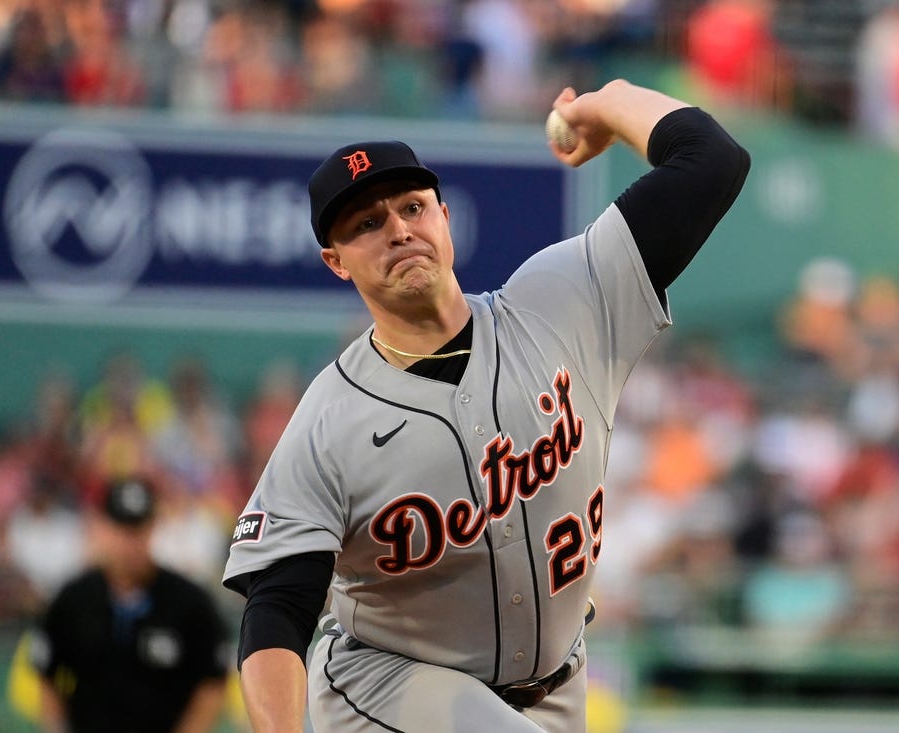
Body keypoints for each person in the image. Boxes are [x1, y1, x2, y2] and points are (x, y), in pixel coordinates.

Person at [222, 78, 751, 732]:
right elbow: (276, 607)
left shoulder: (561, 304)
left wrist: (606, 104)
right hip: (388, 685)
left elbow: (712, 159)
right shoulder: (329, 420)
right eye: (366, 223)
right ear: (336, 261)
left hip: (558, 689)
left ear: (443, 215)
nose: (397, 229)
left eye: (411, 207)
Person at [29, 477, 230, 733]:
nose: (129, 542)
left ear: (154, 527)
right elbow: (46, 672)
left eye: (138, 530)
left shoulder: (188, 601)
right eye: (121, 529)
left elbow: (212, 681)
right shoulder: (73, 599)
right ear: (102, 528)